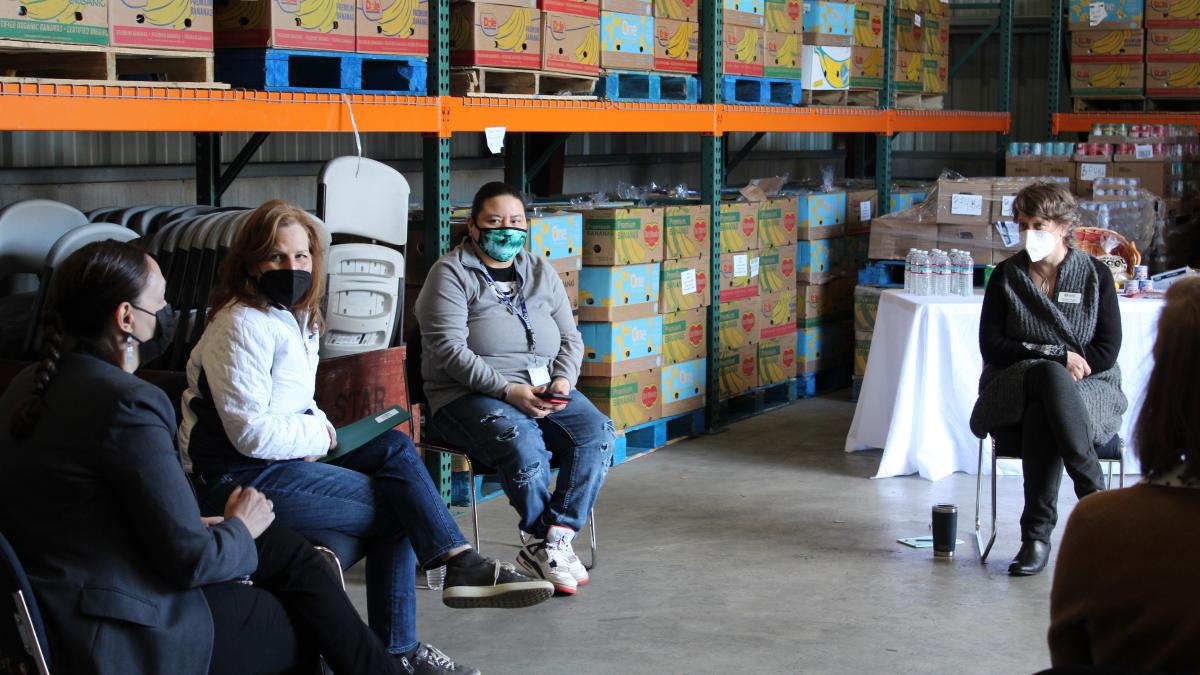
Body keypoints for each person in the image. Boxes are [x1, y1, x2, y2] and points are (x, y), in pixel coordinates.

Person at [181, 200, 553, 674]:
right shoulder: (240, 324)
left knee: (396, 447)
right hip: (236, 477)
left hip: (287, 458)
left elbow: (294, 403)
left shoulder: (294, 316)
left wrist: (317, 427)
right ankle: (400, 648)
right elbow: (250, 433)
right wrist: (319, 432)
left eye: (301, 256)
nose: (292, 267)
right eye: (276, 257)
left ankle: (457, 560)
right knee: (398, 505)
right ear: (251, 261)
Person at [0, 240, 405, 674]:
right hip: (117, 626)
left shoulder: (25, 386)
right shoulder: (129, 404)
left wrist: (202, 527)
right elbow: (191, 562)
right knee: (291, 620)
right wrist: (239, 526)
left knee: (289, 554)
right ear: (126, 318)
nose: (167, 313)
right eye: (160, 304)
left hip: (59, 601)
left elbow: (86, 508)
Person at [416, 182, 617, 596]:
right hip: (467, 396)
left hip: (542, 387)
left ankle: (552, 538)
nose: (506, 231)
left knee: (598, 433)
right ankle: (547, 544)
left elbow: (571, 338)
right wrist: (508, 391)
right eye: (494, 222)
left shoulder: (539, 271)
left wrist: (563, 379)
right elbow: (448, 350)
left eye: (516, 222)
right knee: (521, 439)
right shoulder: (450, 274)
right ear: (472, 226)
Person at [969, 181, 1126, 577]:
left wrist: (1070, 367)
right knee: (1047, 378)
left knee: (1046, 408)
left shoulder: (1095, 277)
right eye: (1022, 224)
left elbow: (1107, 348)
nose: (1028, 234)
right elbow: (994, 347)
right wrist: (1054, 355)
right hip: (1014, 382)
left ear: (1061, 226)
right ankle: (1094, 498)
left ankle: (1035, 538)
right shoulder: (1006, 276)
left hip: (1091, 385)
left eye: (1038, 224)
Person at [1048, 278, 1200, 670]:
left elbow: (1071, 656)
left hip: (1083, 387)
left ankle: (1079, 485)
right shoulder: (1014, 277)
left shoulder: (1104, 526)